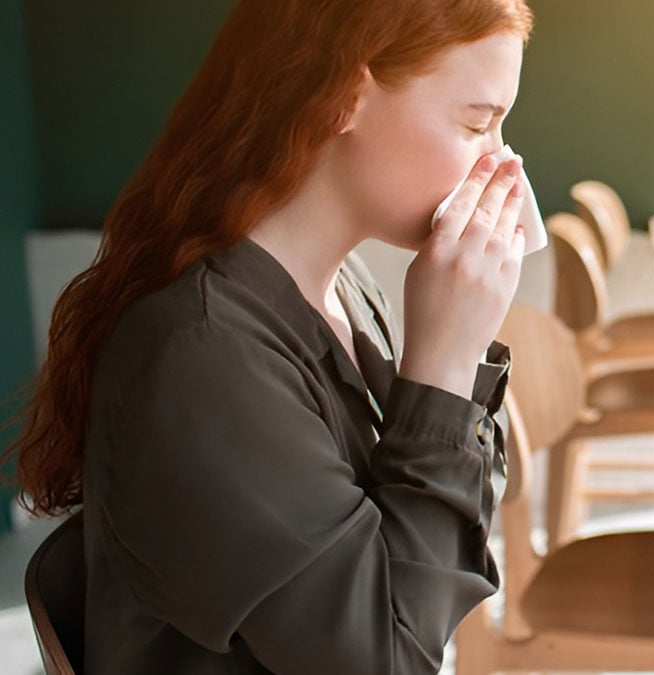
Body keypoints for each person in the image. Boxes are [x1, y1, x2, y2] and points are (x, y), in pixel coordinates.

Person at [5, 0, 534, 672]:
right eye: (477, 123)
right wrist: (443, 362)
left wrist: (455, 357)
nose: (504, 163)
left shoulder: (345, 288)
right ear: (345, 95)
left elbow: (442, 561)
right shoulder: (204, 357)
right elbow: (390, 658)